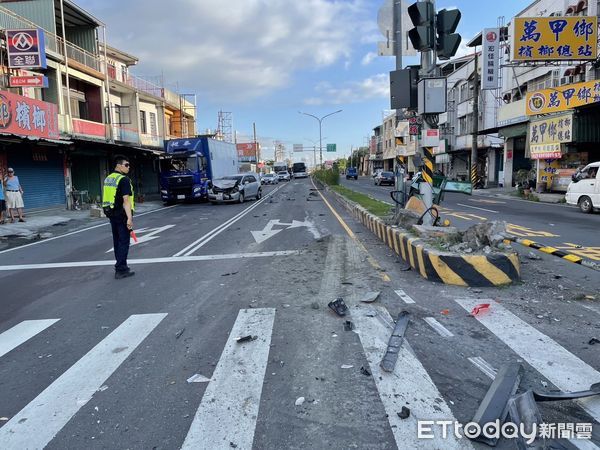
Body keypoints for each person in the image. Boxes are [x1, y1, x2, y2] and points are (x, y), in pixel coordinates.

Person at [102, 155, 135, 279]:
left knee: (117, 242)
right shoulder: (124, 180)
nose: (128, 167)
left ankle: (121, 266)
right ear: (119, 165)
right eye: (126, 165)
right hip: (122, 215)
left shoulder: (109, 179)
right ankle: (121, 269)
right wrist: (129, 218)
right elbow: (126, 201)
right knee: (124, 242)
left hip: (112, 215)